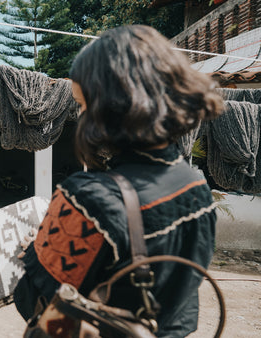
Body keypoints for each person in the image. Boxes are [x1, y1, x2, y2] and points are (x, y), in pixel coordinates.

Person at [13, 25, 223, 337]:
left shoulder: (89, 198)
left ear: (111, 108)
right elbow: (182, 292)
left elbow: (34, 301)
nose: (82, 118)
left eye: (83, 106)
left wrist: (37, 249)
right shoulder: (196, 185)